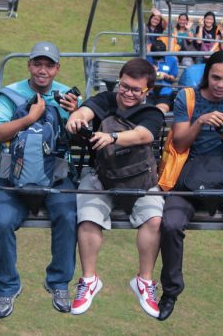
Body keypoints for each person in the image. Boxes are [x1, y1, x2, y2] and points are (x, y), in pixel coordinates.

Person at [157, 51, 223, 322]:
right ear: (207, 75)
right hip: (189, 169)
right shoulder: (187, 98)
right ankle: (171, 290)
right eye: (215, 78)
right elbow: (180, 143)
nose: (220, 85)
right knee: (171, 224)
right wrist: (200, 122)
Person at [66, 58, 165, 318]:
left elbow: (143, 135)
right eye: (124, 86)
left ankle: (144, 280)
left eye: (136, 90)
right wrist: (76, 119)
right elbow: (85, 112)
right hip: (103, 176)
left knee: (154, 219)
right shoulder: (106, 100)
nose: (128, 93)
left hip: (140, 180)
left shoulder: (151, 113)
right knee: (88, 217)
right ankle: (89, 279)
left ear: (147, 91)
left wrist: (112, 137)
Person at [0, 42, 79, 318]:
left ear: (57, 68)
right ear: (29, 65)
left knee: (68, 215)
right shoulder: (11, 95)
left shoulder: (66, 96)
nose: (42, 70)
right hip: (13, 177)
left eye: (49, 65)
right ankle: (7, 287)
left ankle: (59, 282)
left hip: (55, 176)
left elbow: (80, 137)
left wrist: (75, 114)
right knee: (2, 222)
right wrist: (29, 118)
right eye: (37, 64)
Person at [147, 40, 179, 113]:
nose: (157, 60)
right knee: (145, 109)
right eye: (155, 58)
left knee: (160, 111)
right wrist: (151, 73)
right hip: (147, 89)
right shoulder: (146, 59)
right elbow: (140, 78)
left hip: (165, 91)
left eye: (159, 58)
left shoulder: (172, 60)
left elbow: (173, 79)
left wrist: (165, 76)